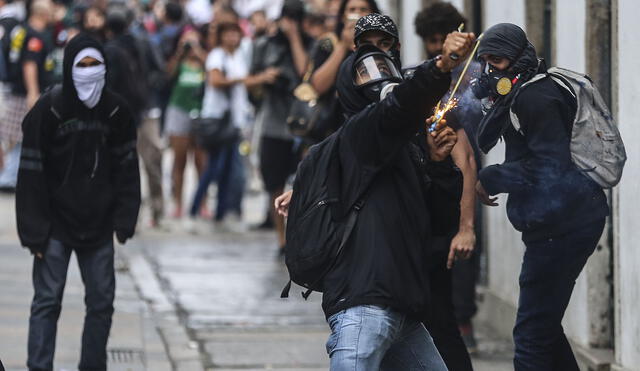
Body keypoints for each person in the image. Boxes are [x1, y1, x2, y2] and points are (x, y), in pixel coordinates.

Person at [313, 13, 474, 369]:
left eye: (384, 56)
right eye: (365, 68)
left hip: (403, 303)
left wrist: (437, 163)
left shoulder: (409, 141)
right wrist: (442, 64)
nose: (377, 75)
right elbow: (397, 106)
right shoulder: (361, 132)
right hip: (365, 302)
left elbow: (437, 217)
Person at [473, 23, 609, 371]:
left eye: (498, 60)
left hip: (563, 225)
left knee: (531, 337)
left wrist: (490, 177)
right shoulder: (530, 91)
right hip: (559, 221)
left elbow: (550, 168)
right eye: (486, 60)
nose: (492, 70)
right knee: (543, 326)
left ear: (520, 57)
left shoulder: (535, 98)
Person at [16, 33, 141, 371]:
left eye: (94, 65)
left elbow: (128, 168)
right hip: (54, 225)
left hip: (99, 225)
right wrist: (33, 230)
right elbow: (30, 172)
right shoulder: (50, 108)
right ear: (69, 66)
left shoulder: (116, 111)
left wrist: (125, 218)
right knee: (46, 301)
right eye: (81, 65)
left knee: (101, 303)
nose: (88, 72)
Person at [414, 1, 481, 360]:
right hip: (433, 183)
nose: (438, 46)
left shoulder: (472, 77)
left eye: (445, 39)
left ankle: (464, 317)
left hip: (463, 174)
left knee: (463, 247)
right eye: (433, 40)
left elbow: (467, 153)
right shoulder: (423, 77)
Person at [250, 0, 312, 256]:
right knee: (274, 183)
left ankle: (301, 237)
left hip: (305, 126)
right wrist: (265, 78)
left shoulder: (311, 44)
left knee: (305, 183)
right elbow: (251, 83)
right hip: (273, 124)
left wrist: (295, 37)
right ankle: (281, 239)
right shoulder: (265, 45)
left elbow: (305, 73)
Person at [189, 21, 256, 230]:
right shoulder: (217, 55)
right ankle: (194, 209)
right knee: (214, 168)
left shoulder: (239, 56)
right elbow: (216, 81)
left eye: (235, 34)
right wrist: (245, 80)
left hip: (235, 122)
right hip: (217, 120)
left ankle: (220, 212)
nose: (232, 38)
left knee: (226, 169)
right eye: (228, 34)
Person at [0, 0, 54, 191]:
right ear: (43, 14)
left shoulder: (21, 30)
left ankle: (9, 175)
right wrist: (33, 92)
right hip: (25, 94)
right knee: (22, 136)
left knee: (15, 136)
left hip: (16, 91)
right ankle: (10, 176)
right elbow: (29, 65)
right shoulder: (34, 36)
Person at [164, 26, 207, 218]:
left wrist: (199, 53)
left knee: (201, 162)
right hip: (178, 112)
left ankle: (202, 203)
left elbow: (213, 72)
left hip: (200, 113)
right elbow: (167, 76)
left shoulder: (204, 61)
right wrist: (180, 53)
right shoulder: (179, 62)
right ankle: (178, 204)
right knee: (179, 161)